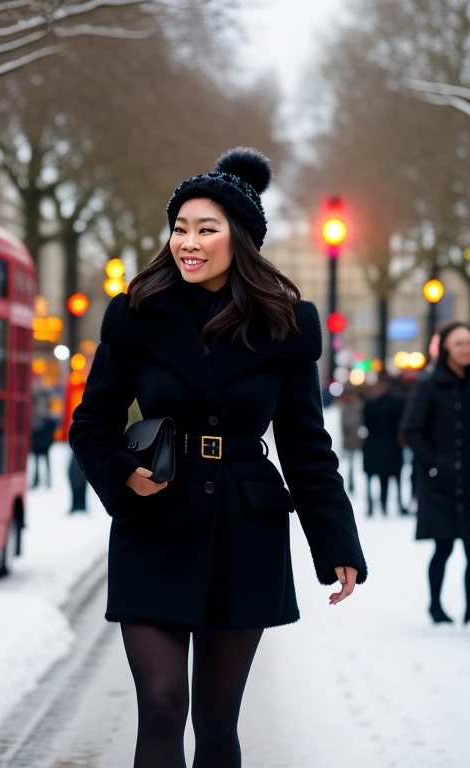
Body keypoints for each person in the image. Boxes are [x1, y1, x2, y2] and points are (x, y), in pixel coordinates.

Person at [69, 147, 367, 768]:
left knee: (216, 720)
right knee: (159, 703)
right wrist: (123, 473)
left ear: (242, 240)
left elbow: (307, 446)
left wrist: (336, 541)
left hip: (243, 529)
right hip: (154, 523)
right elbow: (91, 422)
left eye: (207, 229)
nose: (188, 242)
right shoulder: (137, 314)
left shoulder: (285, 324)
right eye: (181, 227)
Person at [402, 321, 470, 624]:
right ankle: (436, 605)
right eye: (459, 344)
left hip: (469, 482)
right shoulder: (428, 384)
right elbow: (412, 430)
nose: (465, 349)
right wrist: (433, 463)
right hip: (439, 483)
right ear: (445, 348)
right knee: (442, 547)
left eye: (469, 343)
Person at [362, 374, 408, 516]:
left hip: (373, 444)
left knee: (372, 478)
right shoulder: (399, 404)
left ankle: (372, 505)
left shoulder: (370, 405)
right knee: (392, 478)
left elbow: (366, 424)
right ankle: (392, 504)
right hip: (392, 444)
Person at [339, 386, 364, 493]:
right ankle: (350, 484)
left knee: (356, 464)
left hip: (357, 439)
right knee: (349, 464)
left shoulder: (358, 406)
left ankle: (353, 484)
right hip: (348, 440)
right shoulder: (343, 407)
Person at [30, 391, 56, 488]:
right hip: (41, 440)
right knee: (40, 460)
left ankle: (41, 480)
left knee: (42, 460)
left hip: (42, 440)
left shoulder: (38, 415)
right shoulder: (43, 415)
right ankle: (40, 480)